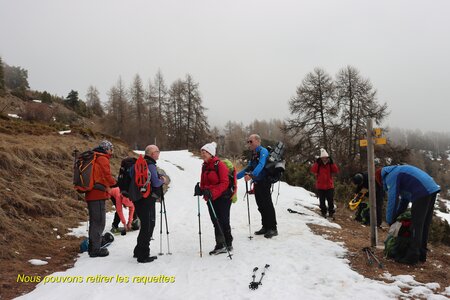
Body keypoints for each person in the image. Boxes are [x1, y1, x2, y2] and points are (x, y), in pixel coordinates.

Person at [377, 165, 440, 265]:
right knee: (423, 224)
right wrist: (397, 215)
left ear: (380, 179)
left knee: (416, 225)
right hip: (431, 188)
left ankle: (412, 257)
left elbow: (393, 200)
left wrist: (390, 220)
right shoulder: (398, 171)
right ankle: (421, 255)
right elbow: (404, 200)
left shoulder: (391, 176)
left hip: (422, 191)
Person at [194, 142, 233, 254]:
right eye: (202, 151)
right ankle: (221, 244)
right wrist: (200, 189)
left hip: (223, 197)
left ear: (211, 153)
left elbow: (224, 183)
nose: (202, 153)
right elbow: (204, 183)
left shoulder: (219, 165)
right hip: (211, 198)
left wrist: (212, 191)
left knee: (223, 220)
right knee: (216, 221)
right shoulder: (204, 166)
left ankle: (227, 243)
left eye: (205, 151)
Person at [237, 134, 278, 238]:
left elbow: (261, 165)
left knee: (267, 204)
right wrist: (235, 177)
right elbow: (249, 166)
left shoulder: (263, 151)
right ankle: (265, 226)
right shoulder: (254, 153)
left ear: (258, 141)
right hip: (257, 182)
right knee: (261, 205)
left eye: (251, 141)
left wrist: (251, 175)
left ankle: (273, 228)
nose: (249, 144)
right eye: (248, 142)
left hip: (265, 181)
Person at [133, 145, 166, 263]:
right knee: (147, 226)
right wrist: (163, 180)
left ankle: (137, 251)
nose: (158, 154)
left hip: (138, 198)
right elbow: (156, 183)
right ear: (152, 153)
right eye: (157, 151)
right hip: (147, 199)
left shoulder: (139, 163)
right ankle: (143, 255)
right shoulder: (150, 164)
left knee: (145, 225)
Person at [85, 140, 116, 257]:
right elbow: (106, 175)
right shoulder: (102, 158)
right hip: (97, 194)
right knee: (99, 221)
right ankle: (95, 249)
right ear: (106, 149)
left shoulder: (95, 157)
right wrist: (114, 183)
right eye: (111, 149)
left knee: (95, 221)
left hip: (92, 193)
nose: (112, 152)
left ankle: (93, 245)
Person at [310, 148, 339, 218]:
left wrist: (332, 163)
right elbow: (313, 170)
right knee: (322, 202)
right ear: (321, 158)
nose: (324, 159)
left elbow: (336, 170)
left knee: (330, 201)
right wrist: (317, 163)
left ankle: (331, 213)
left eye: (325, 157)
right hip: (320, 186)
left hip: (329, 186)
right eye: (323, 158)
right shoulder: (319, 164)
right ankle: (323, 212)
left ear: (327, 157)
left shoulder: (330, 164)